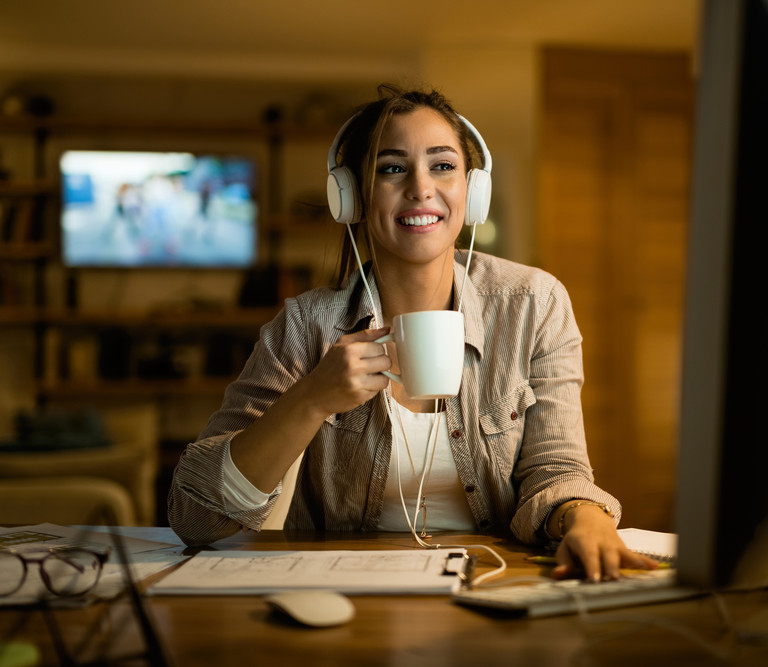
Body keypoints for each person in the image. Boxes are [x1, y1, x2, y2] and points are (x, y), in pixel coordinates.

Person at [167, 84, 657, 582]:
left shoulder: (534, 303)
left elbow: (556, 469)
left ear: (473, 189)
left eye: (442, 165)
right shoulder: (304, 326)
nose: (421, 188)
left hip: (496, 581)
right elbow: (195, 517)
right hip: (346, 593)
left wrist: (586, 519)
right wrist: (311, 399)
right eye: (391, 167)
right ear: (352, 195)